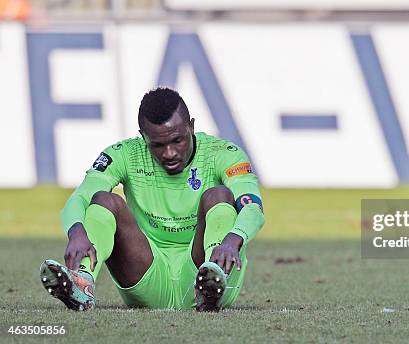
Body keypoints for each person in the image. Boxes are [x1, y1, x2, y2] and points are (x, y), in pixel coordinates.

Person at [39, 87, 264, 312]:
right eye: (157, 144)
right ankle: (82, 283)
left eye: (177, 140)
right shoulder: (123, 154)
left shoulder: (224, 153)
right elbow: (79, 198)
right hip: (147, 275)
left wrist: (233, 239)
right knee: (104, 200)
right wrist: (76, 231)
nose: (169, 153)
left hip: (203, 270)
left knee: (219, 195)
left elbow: (252, 209)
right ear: (143, 135)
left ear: (191, 126)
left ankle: (214, 277)